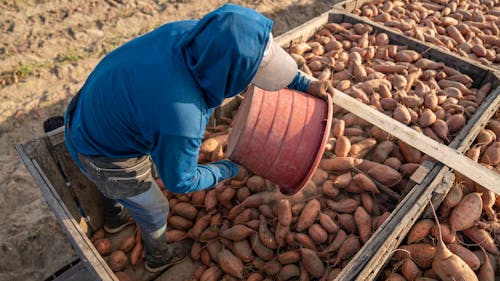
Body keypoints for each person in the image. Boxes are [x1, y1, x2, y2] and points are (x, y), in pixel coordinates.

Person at [64, 3, 333, 273]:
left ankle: (115, 216)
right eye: (249, 77)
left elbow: (256, 55)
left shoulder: (197, 36)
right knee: (156, 208)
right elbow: (180, 182)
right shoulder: (182, 117)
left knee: (125, 183)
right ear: (229, 74)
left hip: (96, 107)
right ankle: (157, 256)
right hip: (101, 151)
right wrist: (228, 168)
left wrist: (304, 83)